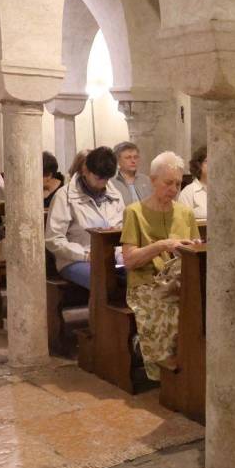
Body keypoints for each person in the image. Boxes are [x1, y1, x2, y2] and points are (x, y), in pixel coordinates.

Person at [121, 151, 200, 381]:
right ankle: (166, 374)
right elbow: (129, 260)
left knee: (203, 308)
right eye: (168, 183)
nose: (174, 189)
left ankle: (195, 367)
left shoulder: (185, 213)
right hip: (146, 283)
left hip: (180, 281)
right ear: (153, 180)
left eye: (177, 183)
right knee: (169, 310)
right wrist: (163, 245)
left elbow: (196, 247)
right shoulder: (134, 212)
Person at [45, 147, 125, 289]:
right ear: (85, 170)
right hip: (75, 259)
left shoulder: (115, 195)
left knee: (140, 275)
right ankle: (100, 311)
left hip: (112, 256)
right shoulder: (64, 196)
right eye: (98, 178)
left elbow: (124, 229)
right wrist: (87, 255)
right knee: (103, 279)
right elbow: (54, 239)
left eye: (106, 179)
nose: (102, 183)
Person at [111, 141, 152, 206]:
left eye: (135, 157)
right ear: (118, 160)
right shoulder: (111, 183)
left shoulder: (146, 180)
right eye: (128, 158)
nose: (133, 161)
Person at [178, 146, 208, 219]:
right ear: (198, 165)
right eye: (207, 161)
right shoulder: (188, 192)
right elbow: (183, 221)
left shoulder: (222, 191)